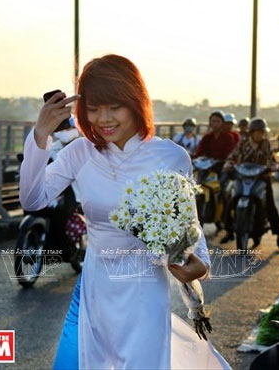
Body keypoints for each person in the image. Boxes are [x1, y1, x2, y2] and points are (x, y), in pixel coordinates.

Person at [19, 55, 229, 369]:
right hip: (96, 287)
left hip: (145, 290)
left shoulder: (170, 156)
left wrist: (197, 265)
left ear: (135, 102)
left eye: (114, 106)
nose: (103, 119)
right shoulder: (80, 152)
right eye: (93, 108)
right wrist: (40, 136)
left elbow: (190, 228)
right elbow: (33, 199)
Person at [222, 118, 279, 249]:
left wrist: (273, 167)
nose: (260, 135)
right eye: (257, 132)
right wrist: (228, 164)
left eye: (262, 132)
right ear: (251, 132)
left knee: (270, 203)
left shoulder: (266, 144)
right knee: (231, 199)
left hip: (261, 177)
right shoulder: (243, 143)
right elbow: (233, 155)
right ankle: (228, 230)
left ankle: (278, 235)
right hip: (243, 177)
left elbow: (271, 159)